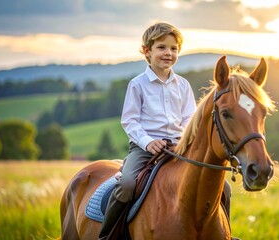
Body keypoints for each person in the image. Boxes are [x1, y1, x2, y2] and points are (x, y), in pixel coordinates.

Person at [99, 21, 236, 240]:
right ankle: (107, 236)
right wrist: (148, 142)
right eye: (162, 47)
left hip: (178, 148)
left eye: (173, 49)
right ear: (147, 51)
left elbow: (190, 120)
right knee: (126, 185)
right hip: (145, 149)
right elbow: (130, 121)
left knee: (224, 187)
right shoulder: (138, 84)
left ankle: (225, 234)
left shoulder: (182, 85)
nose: (168, 53)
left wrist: (185, 143)